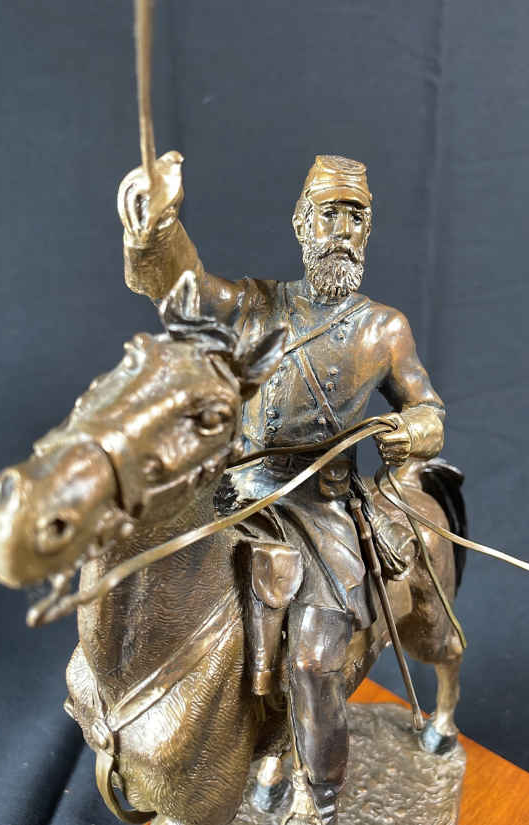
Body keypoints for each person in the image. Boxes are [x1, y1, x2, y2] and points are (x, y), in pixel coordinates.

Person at [118, 153, 445, 825]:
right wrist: (157, 225)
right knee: (155, 594)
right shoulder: (253, 306)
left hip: (319, 511)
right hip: (235, 496)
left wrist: (413, 430)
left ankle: (317, 797)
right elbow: (183, 286)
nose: (342, 232)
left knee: (316, 660)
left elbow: (428, 409)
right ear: (300, 224)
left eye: (356, 218)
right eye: (329, 215)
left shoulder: (384, 328)